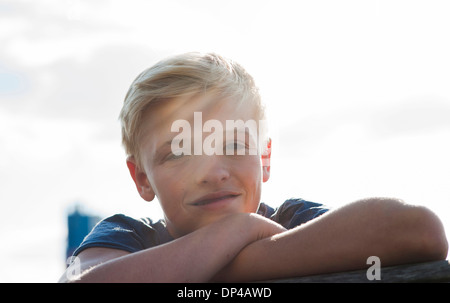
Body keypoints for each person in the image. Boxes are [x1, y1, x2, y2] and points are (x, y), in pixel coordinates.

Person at [59, 52, 448, 283]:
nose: (212, 172)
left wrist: (219, 263)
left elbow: (419, 230)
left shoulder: (295, 219)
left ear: (264, 158)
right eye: (178, 153)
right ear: (142, 178)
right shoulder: (127, 236)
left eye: (232, 145)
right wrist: (240, 230)